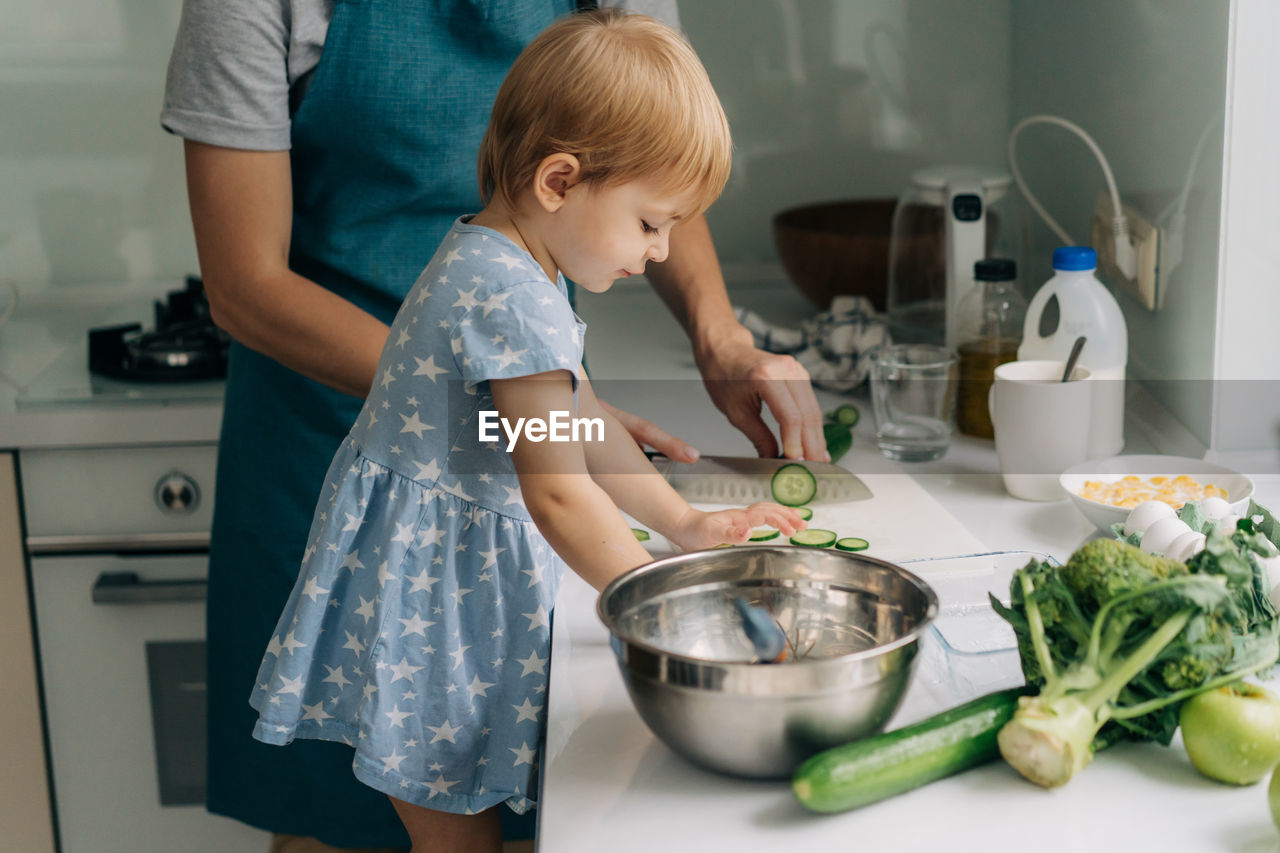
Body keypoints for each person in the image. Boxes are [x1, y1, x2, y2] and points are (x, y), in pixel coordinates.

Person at [162, 1, 824, 850]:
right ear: (558, 182)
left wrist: (687, 523)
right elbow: (557, 495)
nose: (661, 250)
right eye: (651, 224)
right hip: (431, 633)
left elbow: (579, 416)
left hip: (433, 604)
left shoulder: (504, 255)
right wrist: (660, 603)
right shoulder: (513, 298)